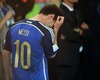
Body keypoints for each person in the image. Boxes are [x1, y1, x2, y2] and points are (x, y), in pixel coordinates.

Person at [2, 4, 64, 80]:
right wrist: (56, 29)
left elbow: (5, 53)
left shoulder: (14, 26)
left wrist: (8, 77)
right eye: (53, 24)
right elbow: (52, 54)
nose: (51, 27)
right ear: (50, 17)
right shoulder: (45, 31)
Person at [52, 0, 89, 80]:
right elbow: (70, 34)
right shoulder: (59, 12)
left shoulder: (77, 13)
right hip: (66, 61)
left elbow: (88, 32)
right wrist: (81, 31)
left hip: (79, 60)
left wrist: (79, 31)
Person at [0, 0, 15, 80]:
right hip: (1, 45)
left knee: (11, 71)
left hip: (11, 43)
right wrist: (6, 17)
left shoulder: (8, 7)